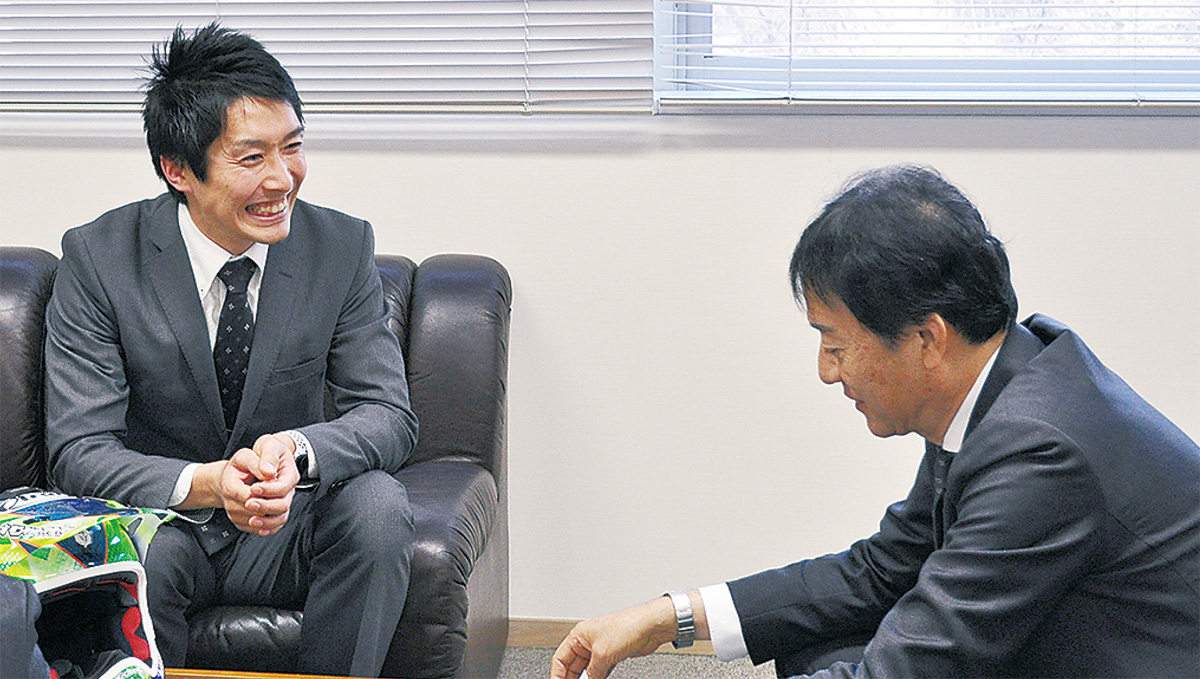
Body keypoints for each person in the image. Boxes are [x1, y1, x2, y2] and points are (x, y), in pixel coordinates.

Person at [550, 165, 1200, 679]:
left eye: (835, 344)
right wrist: (668, 617)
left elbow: (913, 665)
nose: (826, 372)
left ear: (927, 339)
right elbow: (882, 569)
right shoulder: (1006, 378)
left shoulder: (1039, 452)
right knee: (813, 646)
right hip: (1059, 633)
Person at [44, 23, 418, 677]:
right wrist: (207, 483)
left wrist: (297, 451)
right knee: (143, 557)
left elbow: (388, 414)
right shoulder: (99, 258)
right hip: (165, 524)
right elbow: (79, 450)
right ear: (178, 169)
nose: (282, 178)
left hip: (289, 526)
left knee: (379, 507)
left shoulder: (340, 248)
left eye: (292, 147)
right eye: (251, 158)